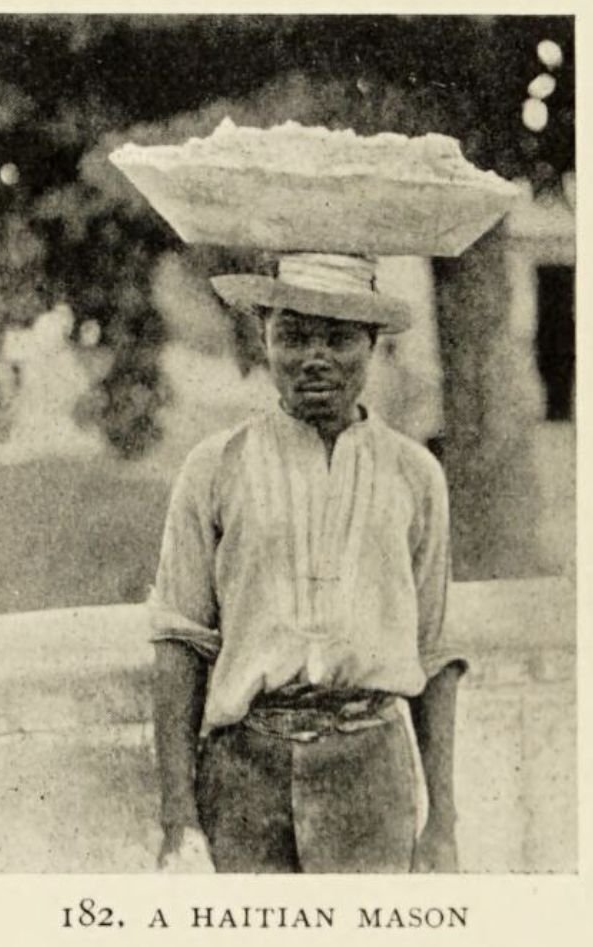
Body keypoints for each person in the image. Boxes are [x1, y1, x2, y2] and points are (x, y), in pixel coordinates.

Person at [149, 252, 467, 873]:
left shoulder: (415, 474)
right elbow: (178, 641)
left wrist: (444, 823)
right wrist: (179, 820)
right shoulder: (215, 468)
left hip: (371, 772)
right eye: (292, 336)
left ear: (372, 344)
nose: (315, 357)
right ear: (264, 339)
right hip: (243, 775)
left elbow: (434, 651)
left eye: (339, 338)